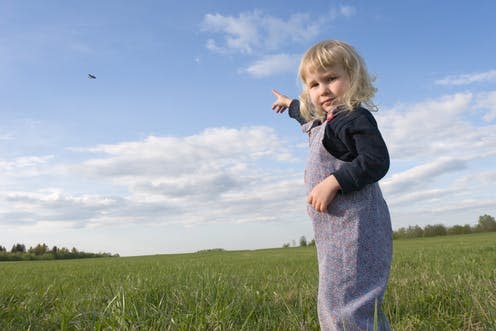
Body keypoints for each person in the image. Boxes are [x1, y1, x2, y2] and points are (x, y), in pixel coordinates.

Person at [271, 40, 393, 330]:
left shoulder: (351, 117)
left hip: (355, 231)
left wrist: (335, 181)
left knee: (347, 304)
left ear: (353, 78)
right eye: (313, 84)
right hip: (336, 234)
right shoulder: (325, 120)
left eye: (331, 79)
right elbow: (305, 111)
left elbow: (376, 160)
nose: (322, 90)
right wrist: (290, 103)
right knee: (338, 301)